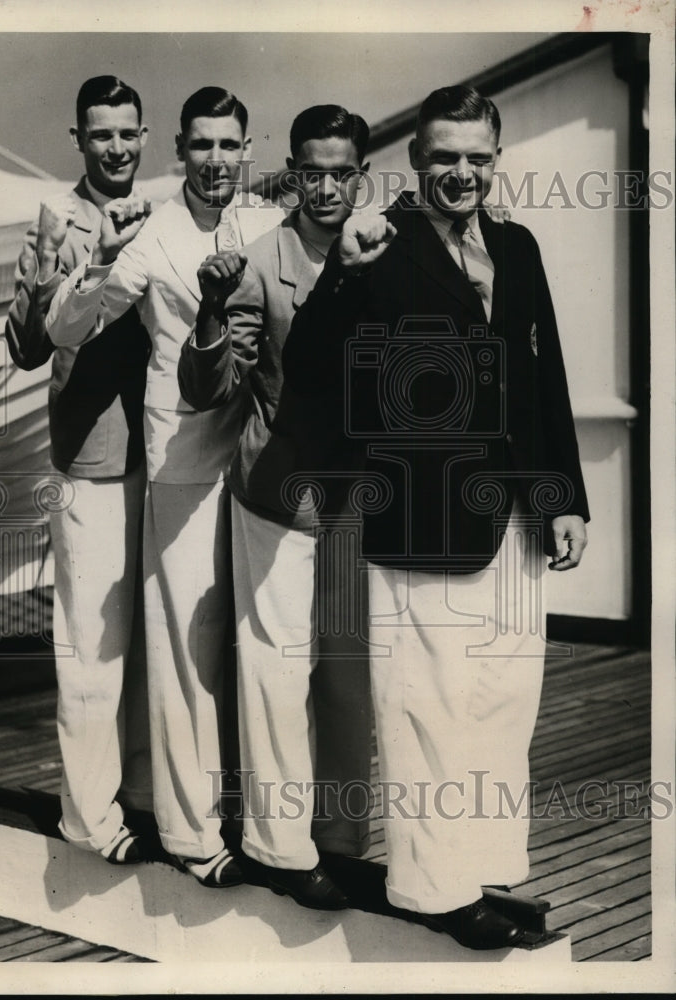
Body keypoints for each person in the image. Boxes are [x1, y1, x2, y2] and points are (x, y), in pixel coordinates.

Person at [282, 86, 589, 948]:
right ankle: (431, 889)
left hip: (512, 519)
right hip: (420, 518)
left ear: (495, 159)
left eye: (477, 158)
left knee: (500, 701)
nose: (461, 173)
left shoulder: (518, 247)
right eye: (443, 157)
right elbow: (308, 368)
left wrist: (561, 499)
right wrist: (341, 272)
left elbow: (544, 380)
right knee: (426, 710)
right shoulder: (378, 245)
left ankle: (478, 873)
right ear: (414, 160)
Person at [46, 87, 285, 887]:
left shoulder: (263, 222)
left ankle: (260, 822)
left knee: (248, 642)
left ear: (244, 151)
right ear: (177, 150)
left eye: (230, 146)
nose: (216, 160)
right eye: (202, 146)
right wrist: (104, 257)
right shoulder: (148, 233)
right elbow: (66, 329)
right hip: (181, 457)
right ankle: (188, 831)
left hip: (257, 457)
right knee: (185, 644)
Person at [178, 105, 376, 909]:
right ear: (291, 171)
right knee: (274, 671)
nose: (325, 188)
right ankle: (275, 845)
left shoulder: (389, 251)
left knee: (348, 677)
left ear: (361, 173)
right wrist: (211, 310)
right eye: (310, 171)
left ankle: (339, 841)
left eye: (341, 172)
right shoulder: (257, 261)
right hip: (277, 500)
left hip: (361, 502)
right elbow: (210, 391)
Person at [5, 75, 152, 864]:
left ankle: (138, 801)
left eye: (128, 133)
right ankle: (87, 820)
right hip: (91, 464)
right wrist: (66, 264)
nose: (117, 148)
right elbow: (26, 347)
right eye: (101, 135)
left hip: (163, 461)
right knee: (90, 653)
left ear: (144, 135)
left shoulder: (161, 212)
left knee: (150, 648)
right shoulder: (54, 221)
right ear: (79, 140)